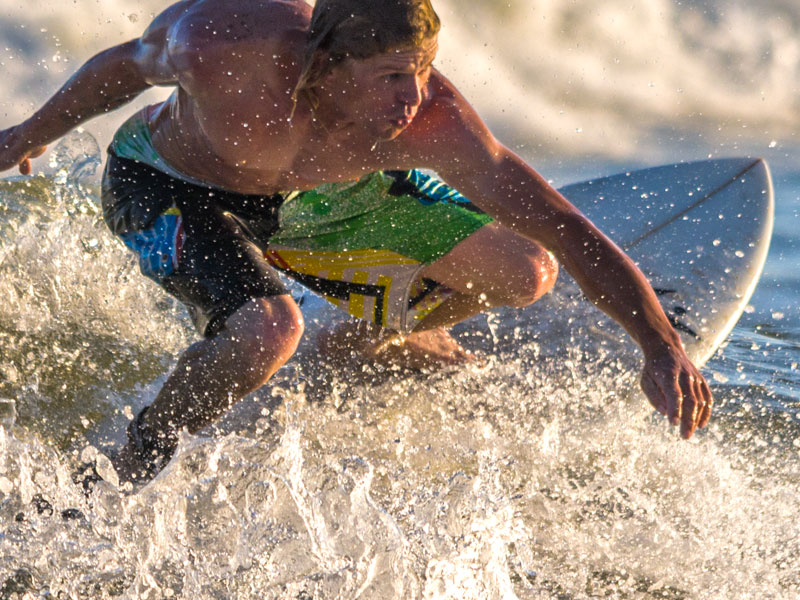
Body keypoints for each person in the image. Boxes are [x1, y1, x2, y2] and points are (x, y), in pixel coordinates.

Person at [0, 0, 712, 485]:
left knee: (526, 270)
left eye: (424, 70)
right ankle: (134, 460)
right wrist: (29, 134)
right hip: (170, 184)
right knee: (268, 331)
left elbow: (561, 224)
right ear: (326, 64)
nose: (413, 97)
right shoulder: (225, 47)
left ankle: (374, 338)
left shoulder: (431, 120)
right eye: (391, 78)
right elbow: (124, 67)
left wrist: (659, 346)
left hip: (312, 196)